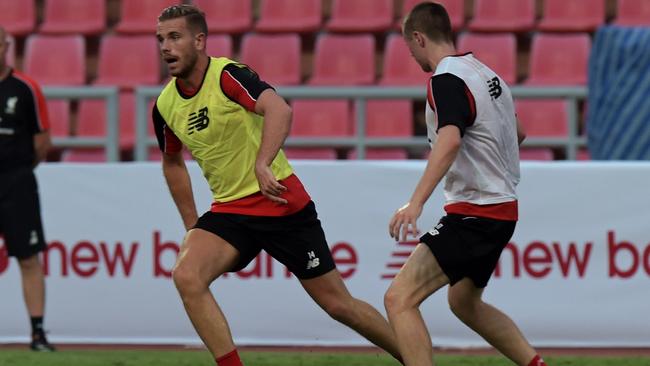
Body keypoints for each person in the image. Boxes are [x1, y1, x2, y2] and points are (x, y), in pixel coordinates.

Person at [152, 5, 402, 366]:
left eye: (174, 37)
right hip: (230, 210)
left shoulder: (227, 76)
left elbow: (279, 109)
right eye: (160, 39)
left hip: (279, 202)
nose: (165, 47)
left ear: (199, 40)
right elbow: (172, 163)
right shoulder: (165, 105)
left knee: (338, 306)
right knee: (187, 276)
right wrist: (192, 224)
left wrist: (262, 162)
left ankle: (415, 358)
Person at [383, 3, 546, 366]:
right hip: (501, 208)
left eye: (410, 47)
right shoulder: (488, 74)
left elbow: (450, 140)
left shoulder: (445, 79)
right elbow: (517, 133)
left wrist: (415, 202)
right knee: (464, 302)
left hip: (476, 212)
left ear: (419, 38)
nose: (411, 56)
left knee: (399, 299)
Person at [0, 26, 54, 352]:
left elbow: (42, 142)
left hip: (16, 181)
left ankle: (38, 333)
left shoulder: (26, 88)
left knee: (29, 258)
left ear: (6, 46)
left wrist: (17, 171)